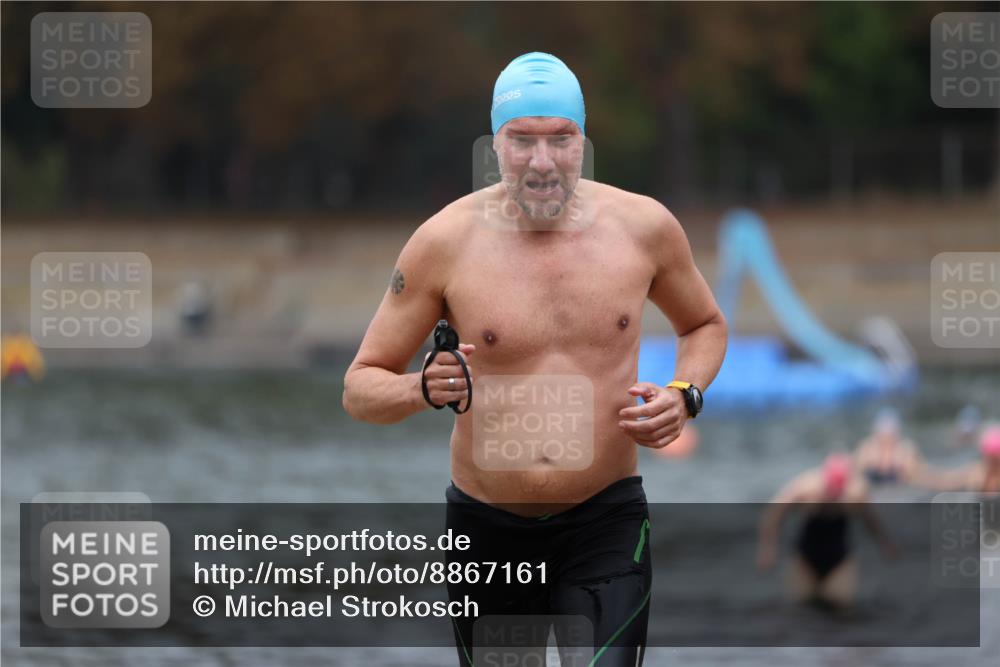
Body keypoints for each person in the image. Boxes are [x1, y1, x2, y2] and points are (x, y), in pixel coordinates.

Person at [343, 52, 727, 665]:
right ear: (494, 143)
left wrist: (685, 394)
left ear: (584, 140)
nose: (542, 162)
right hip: (487, 531)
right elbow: (360, 389)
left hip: (605, 522)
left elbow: (704, 324)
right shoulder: (443, 242)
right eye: (522, 141)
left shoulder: (644, 228)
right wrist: (422, 388)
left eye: (561, 140)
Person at [757, 453, 898, 611]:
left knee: (842, 608)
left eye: (838, 493)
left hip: (839, 557)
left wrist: (886, 545)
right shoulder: (805, 488)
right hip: (805, 556)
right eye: (831, 491)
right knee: (801, 609)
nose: (833, 496)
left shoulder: (856, 494)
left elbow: (872, 521)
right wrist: (767, 550)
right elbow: (773, 515)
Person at [853, 408, 926, 485]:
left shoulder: (906, 448)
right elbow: (855, 471)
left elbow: (921, 472)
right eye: (884, 435)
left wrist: (906, 468)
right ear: (876, 433)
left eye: (890, 435)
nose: (887, 438)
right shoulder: (867, 448)